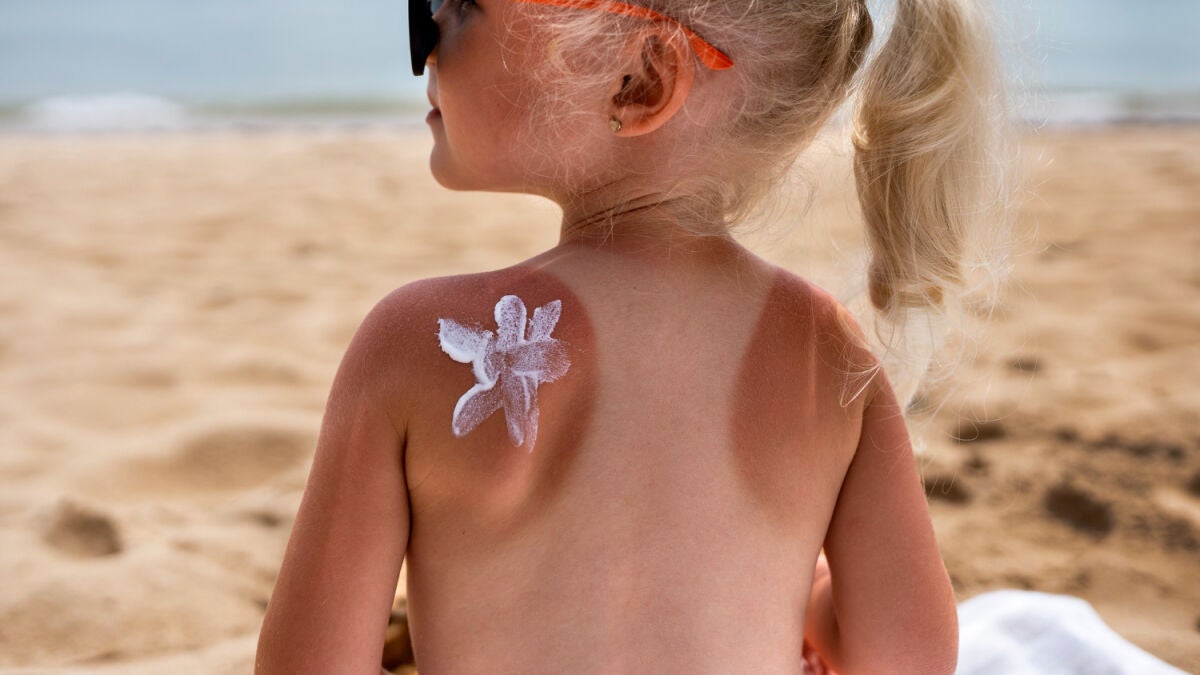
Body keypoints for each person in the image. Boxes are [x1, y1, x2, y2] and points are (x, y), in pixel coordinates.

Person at [256, 0, 1010, 672]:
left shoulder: (417, 341)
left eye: (463, 3)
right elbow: (907, 656)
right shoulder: (829, 353)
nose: (428, 32)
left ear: (642, 80)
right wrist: (805, 596)